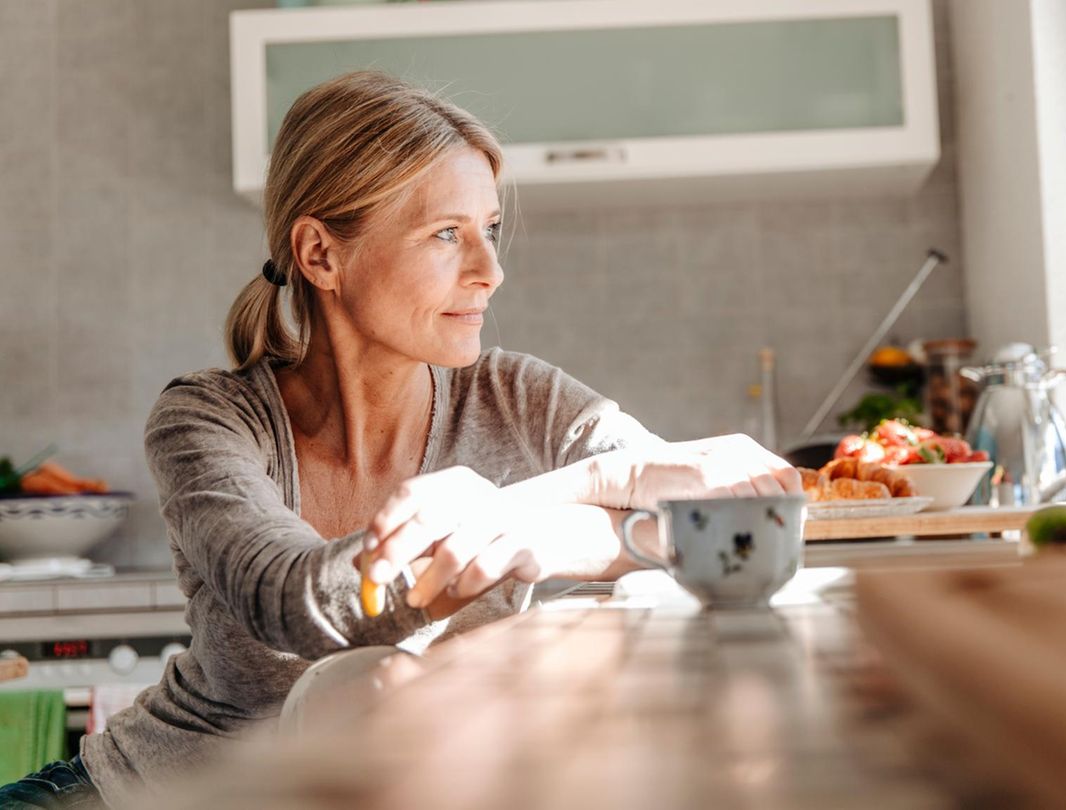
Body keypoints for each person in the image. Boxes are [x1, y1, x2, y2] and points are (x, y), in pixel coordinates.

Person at [0, 71, 799, 809]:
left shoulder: (518, 397)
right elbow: (297, 600)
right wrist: (582, 489)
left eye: (489, 228)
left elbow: (710, 528)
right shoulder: (208, 420)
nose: (491, 269)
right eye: (447, 234)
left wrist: (548, 535)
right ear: (322, 254)